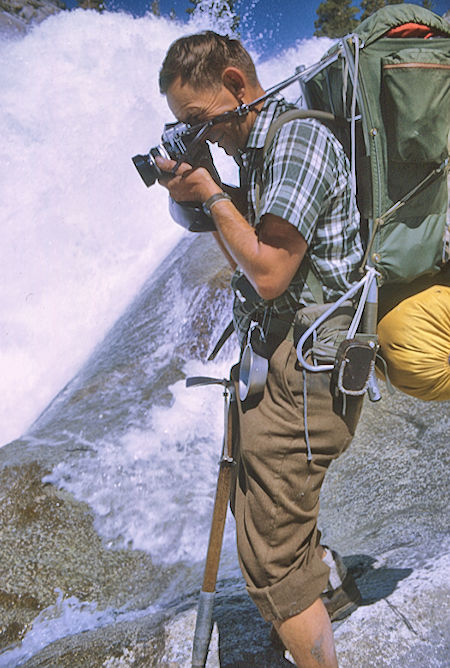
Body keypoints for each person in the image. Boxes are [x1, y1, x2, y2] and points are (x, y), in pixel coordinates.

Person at [156, 31, 364, 668]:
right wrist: (205, 189)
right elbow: (254, 268)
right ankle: (328, 589)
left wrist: (212, 196)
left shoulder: (296, 143)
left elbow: (269, 273)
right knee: (269, 503)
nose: (202, 136)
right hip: (286, 355)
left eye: (199, 121)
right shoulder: (263, 148)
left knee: (269, 552)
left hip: (310, 368)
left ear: (237, 85)